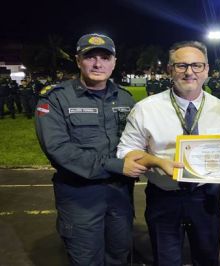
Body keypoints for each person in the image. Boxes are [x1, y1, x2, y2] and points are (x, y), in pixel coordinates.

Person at [117, 40, 220, 266]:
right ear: (170, 70)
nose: (189, 72)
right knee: (166, 259)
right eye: (181, 65)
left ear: (207, 70)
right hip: (164, 195)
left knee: (207, 257)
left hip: (207, 196)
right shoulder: (146, 108)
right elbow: (126, 152)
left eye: (197, 65)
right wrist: (156, 161)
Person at [35, 33, 146, 265]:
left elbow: (139, 141)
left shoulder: (126, 99)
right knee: (86, 259)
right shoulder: (56, 99)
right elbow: (59, 149)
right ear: (78, 61)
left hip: (120, 196)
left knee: (120, 255)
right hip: (80, 198)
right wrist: (117, 165)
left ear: (114, 62)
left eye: (105, 57)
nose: (98, 64)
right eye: (90, 57)